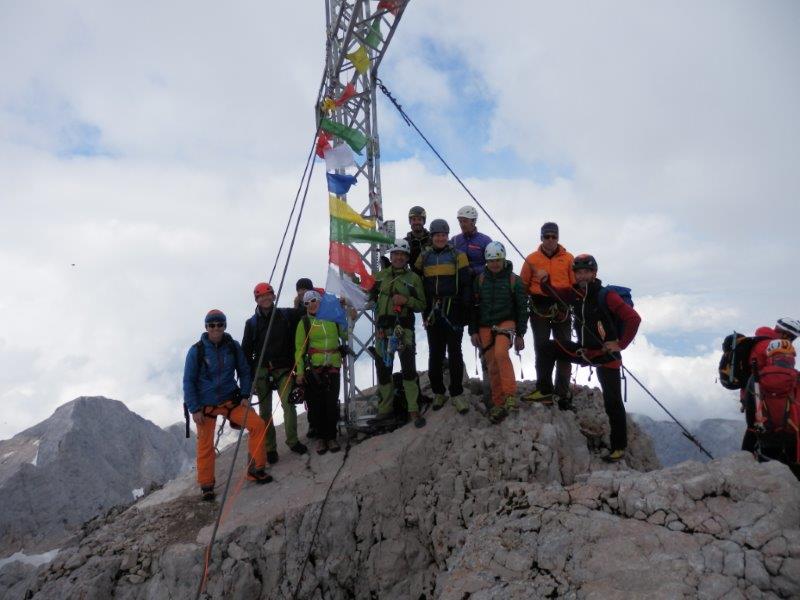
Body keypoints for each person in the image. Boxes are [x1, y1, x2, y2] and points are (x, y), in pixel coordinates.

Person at [535, 254, 641, 462]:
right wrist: (545, 281)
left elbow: (633, 318)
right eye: (579, 272)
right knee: (547, 347)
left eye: (586, 271)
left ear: (594, 273)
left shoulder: (606, 296)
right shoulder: (575, 294)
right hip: (584, 352)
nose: (582, 275)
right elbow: (555, 293)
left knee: (612, 403)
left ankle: (618, 446)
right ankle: (545, 391)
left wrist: (620, 344)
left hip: (605, 356)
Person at [183, 310, 271, 501]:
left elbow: (244, 371)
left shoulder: (232, 346)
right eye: (212, 325)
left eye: (219, 324)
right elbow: (188, 382)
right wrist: (194, 409)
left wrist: (246, 395)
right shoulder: (196, 351)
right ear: (206, 327)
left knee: (257, 425)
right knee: (205, 445)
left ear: (224, 326)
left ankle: (255, 469)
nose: (216, 328)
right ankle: (207, 485)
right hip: (205, 405)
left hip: (231, 400)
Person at [242, 282, 308, 464]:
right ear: (256, 299)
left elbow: (306, 311)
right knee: (265, 412)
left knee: (288, 405)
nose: (265, 298)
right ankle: (270, 448)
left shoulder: (286, 315)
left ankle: (292, 441)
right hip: (262, 371)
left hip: (283, 369)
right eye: (261, 296)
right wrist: (249, 381)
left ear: (274, 296)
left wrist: (303, 298)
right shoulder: (252, 324)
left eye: (268, 295)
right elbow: (246, 353)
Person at [415, 219, 472, 414]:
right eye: (436, 235)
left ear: (447, 236)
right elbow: (416, 281)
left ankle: (456, 393)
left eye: (443, 235)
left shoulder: (458, 256)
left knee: (455, 352)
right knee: (435, 353)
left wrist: (465, 307)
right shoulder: (424, 256)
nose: (440, 238)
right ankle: (439, 392)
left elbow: (466, 283)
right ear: (431, 237)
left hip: (452, 308)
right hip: (432, 309)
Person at [370, 239, 427, 427]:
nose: (399, 257)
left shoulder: (413, 279)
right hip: (382, 330)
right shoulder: (381, 276)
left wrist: (406, 300)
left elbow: (422, 305)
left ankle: (413, 409)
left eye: (402, 255)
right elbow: (368, 293)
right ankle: (385, 410)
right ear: (391, 256)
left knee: (408, 370)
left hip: (404, 330)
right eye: (396, 254)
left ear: (407, 257)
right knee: (383, 371)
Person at [469, 242, 528, 424]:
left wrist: (520, 334)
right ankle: (498, 404)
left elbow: (522, 309)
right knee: (492, 365)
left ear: (503, 260)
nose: (494, 264)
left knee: (501, 354)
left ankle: (510, 395)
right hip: (485, 325)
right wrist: (473, 331)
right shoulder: (480, 280)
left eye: (498, 260)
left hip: (506, 322)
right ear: (486, 261)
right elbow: (473, 307)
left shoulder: (514, 281)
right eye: (491, 261)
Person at [520, 222, 575, 403]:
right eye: (547, 236)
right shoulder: (532, 259)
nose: (550, 240)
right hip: (540, 307)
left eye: (554, 236)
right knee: (542, 348)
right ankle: (544, 389)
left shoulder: (568, 259)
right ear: (541, 237)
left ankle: (562, 391)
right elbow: (523, 286)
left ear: (558, 238)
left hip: (562, 308)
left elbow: (574, 286)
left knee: (565, 348)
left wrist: (570, 305)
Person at [294, 290, 348, 454]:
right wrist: (300, 372)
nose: (312, 304)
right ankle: (320, 438)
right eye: (307, 302)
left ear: (320, 300)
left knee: (331, 403)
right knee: (315, 405)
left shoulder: (332, 318)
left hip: (332, 366)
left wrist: (346, 314)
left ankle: (331, 437)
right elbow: (299, 349)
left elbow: (345, 334)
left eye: (314, 300)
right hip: (313, 369)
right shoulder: (304, 323)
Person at [741, 317, 800, 452]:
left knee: (755, 426)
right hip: (768, 396)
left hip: (752, 392)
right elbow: (779, 377)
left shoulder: (758, 341)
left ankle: (748, 455)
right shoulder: (772, 345)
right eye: (792, 338)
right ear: (786, 334)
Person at [451, 205, 492, 277]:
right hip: (458, 283)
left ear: (473, 221)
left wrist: (474, 271)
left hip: (478, 283)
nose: (462, 224)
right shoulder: (454, 240)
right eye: (460, 221)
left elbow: (492, 264)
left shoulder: (485, 241)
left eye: (465, 221)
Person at [404, 205, 431, 273]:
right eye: (414, 219)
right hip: (414, 279)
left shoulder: (432, 239)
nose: (416, 222)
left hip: (432, 277)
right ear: (410, 222)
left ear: (423, 221)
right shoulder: (405, 242)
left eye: (419, 219)